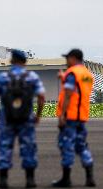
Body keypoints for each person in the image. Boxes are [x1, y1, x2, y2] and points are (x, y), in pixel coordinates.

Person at [0, 49, 45, 188]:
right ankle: (30, 179)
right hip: (26, 117)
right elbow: (41, 97)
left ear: (12, 60)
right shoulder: (32, 76)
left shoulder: (3, 77)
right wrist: (38, 115)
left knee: (5, 146)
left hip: (7, 117)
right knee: (28, 147)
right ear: (25, 61)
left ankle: (3, 180)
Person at [52, 49, 96, 187]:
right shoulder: (87, 74)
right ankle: (90, 177)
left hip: (70, 117)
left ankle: (66, 178)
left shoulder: (72, 73)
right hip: (81, 116)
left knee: (66, 145)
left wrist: (62, 115)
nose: (66, 61)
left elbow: (68, 94)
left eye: (67, 58)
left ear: (73, 58)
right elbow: (78, 90)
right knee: (82, 145)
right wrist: (63, 78)